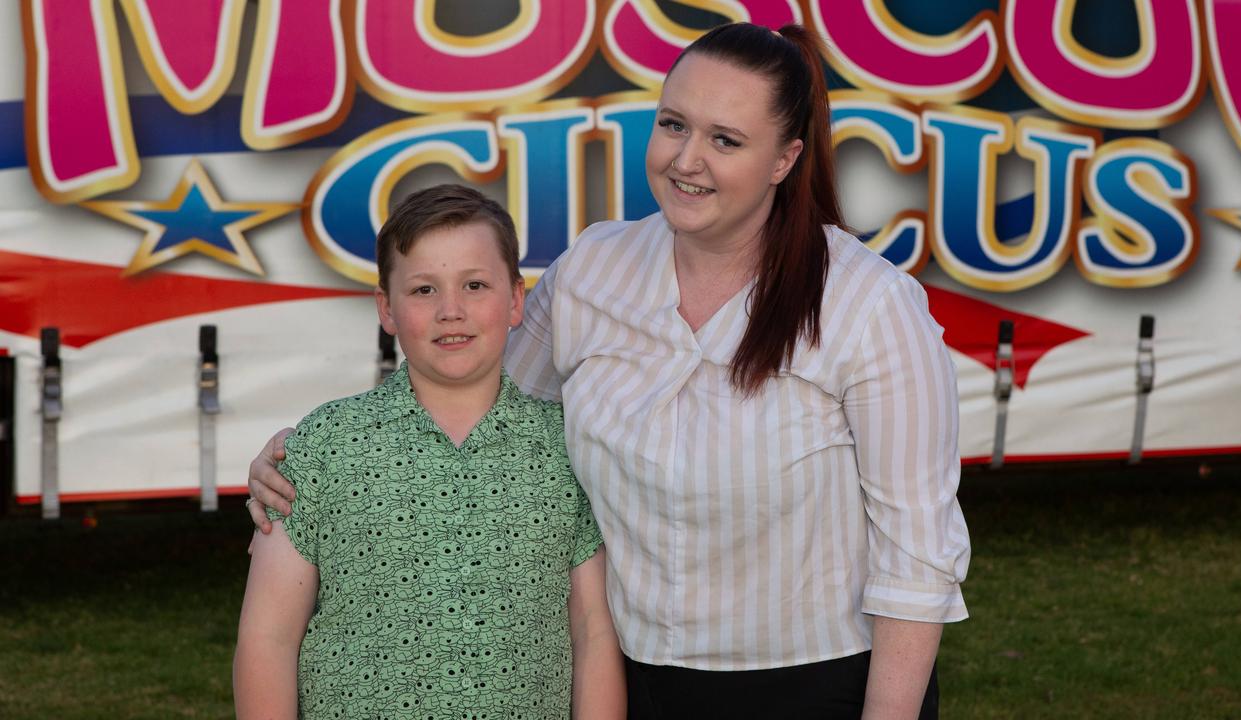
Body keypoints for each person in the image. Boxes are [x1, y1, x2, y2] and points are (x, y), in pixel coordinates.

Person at [248, 23, 969, 719]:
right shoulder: (593, 272)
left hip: (815, 687)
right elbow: (478, 406)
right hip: (632, 682)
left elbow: (917, 558)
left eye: (725, 140)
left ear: (784, 159)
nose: (687, 160)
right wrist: (311, 454)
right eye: (673, 125)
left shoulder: (869, 305)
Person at [234, 185, 625, 719]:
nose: (451, 310)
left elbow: (593, 631)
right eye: (423, 290)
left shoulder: (567, 448)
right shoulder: (326, 446)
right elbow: (268, 637)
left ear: (516, 300)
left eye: (475, 284)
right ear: (386, 308)